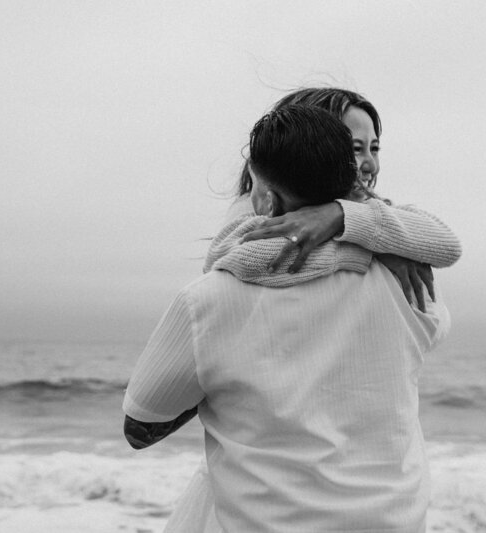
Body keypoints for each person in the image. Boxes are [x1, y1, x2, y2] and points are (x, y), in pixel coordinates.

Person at [123, 105, 450, 532]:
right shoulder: (410, 286)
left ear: (264, 198)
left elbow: (141, 426)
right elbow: (435, 299)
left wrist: (218, 386)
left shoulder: (207, 302)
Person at [220, 88, 461, 311]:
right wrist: (373, 253)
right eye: (356, 149)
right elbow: (232, 257)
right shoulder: (257, 204)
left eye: (374, 148)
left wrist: (339, 215)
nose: (372, 165)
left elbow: (448, 245)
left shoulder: (370, 208)